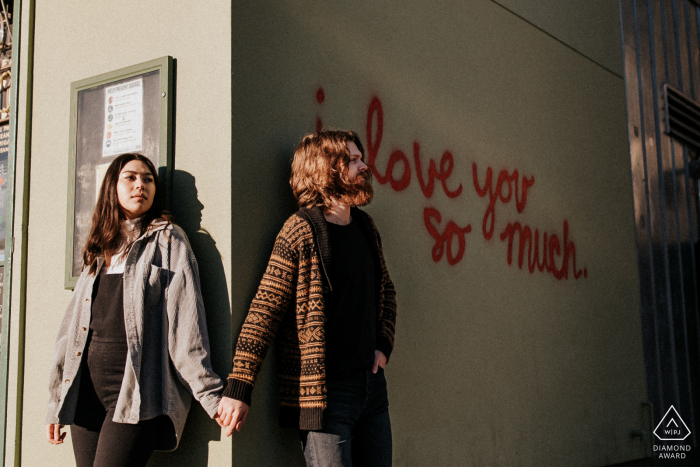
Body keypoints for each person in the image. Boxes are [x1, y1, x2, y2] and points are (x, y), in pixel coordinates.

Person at [218, 130, 398, 466]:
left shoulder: (365, 226)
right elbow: (264, 311)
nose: (364, 166)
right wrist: (239, 388)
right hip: (326, 394)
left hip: (372, 389)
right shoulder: (300, 230)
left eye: (360, 157)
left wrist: (383, 346)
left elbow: (386, 289)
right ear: (327, 168)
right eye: (354, 159)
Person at [46, 153, 224, 467]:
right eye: (130, 177)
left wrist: (210, 395)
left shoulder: (169, 241)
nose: (140, 185)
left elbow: (186, 327)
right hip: (86, 392)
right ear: (112, 187)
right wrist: (57, 402)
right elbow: (70, 332)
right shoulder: (98, 247)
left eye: (148, 179)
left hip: (134, 392)